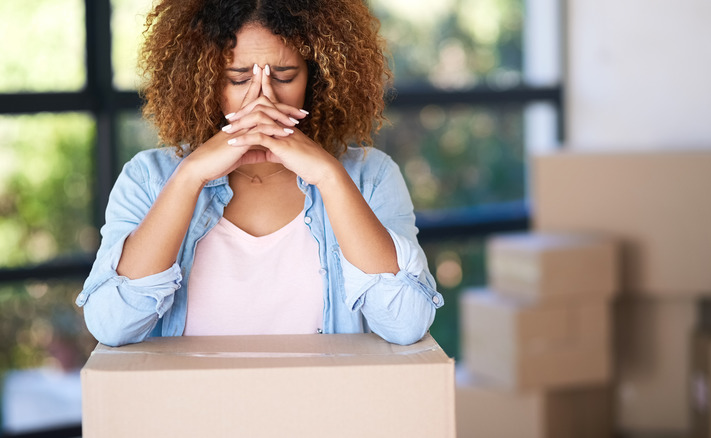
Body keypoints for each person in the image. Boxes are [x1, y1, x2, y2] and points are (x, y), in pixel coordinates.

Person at [76, 0, 443, 347]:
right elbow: (112, 323)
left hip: (323, 409)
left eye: (284, 75)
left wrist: (330, 177)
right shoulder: (149, 178)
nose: (261, 100)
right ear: (203, 80)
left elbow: (406, 323)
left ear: (315, 79)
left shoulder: (370, 176)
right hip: (190, 411)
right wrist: (189, 177)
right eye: (238, 78)